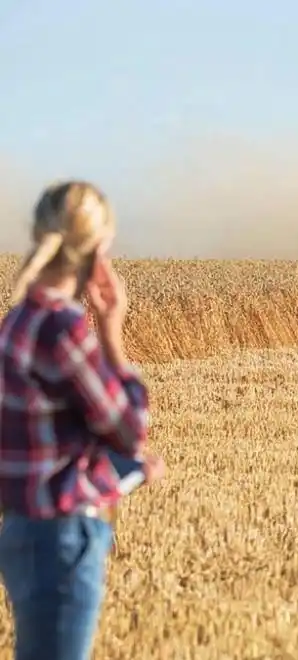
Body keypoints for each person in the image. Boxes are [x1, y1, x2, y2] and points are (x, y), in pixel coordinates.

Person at [0, 180, 165, 660]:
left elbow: (45, 448)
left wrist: (125, 472)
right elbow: (129, 428)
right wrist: (112, 331)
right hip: (64, 541)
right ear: (96, 250)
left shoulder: (16, 323)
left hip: (21, 532)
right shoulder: (63, 327)